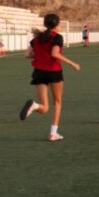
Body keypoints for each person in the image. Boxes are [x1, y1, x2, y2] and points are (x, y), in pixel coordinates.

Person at [19, 13, 81, 141]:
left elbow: (27, 54)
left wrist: (41, 56)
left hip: (39, 72)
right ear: (57, 24)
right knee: (57, 103)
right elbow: (55, 54)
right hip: (53, 72)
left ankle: (35, 106)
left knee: (44, 107)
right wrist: (72, 63)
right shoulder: (57, 37)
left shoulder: (37, 38)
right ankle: (53, 134)